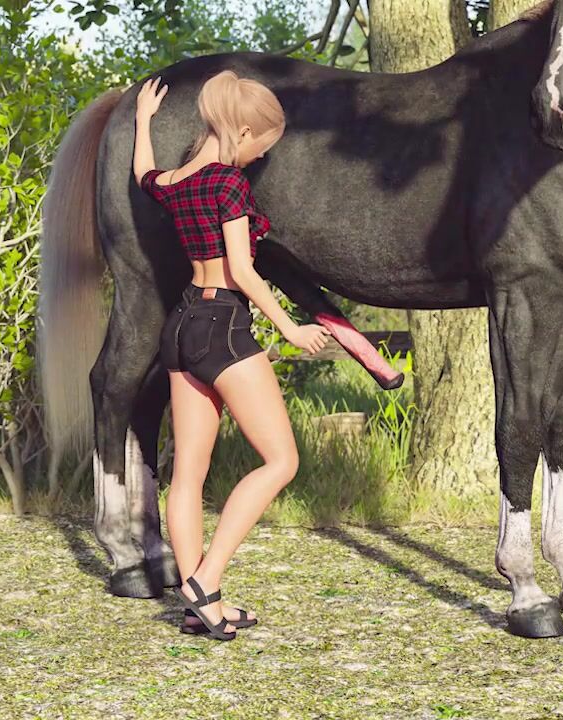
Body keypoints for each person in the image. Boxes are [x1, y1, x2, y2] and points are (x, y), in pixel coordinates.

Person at [133, 71, 331, 641]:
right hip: (222, 325)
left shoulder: (177, 180)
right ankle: (205, 581)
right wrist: (289, 328)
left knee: (187, 475)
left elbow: (143, 174)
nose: (259, 157)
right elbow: (242, 270)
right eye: (260, 147)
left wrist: (143, 121)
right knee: (281, 461)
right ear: (242, 132)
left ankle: (202, 607)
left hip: (181, 325)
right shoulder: (228, 184)